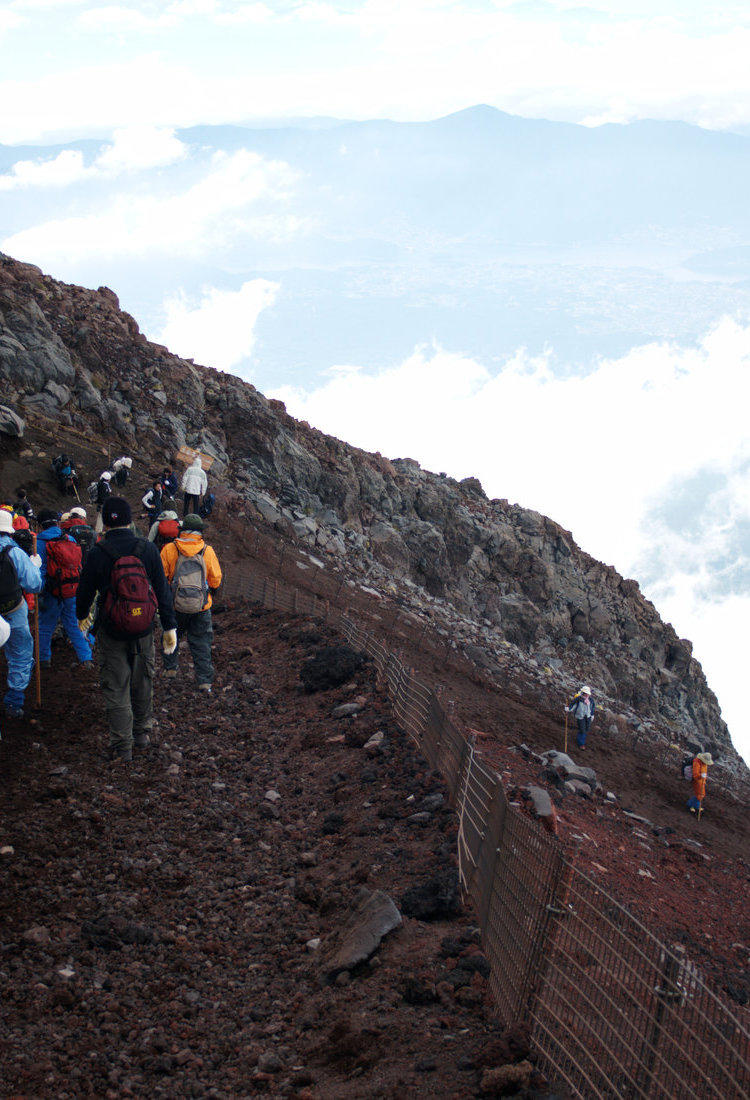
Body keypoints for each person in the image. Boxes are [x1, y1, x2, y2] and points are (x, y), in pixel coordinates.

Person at [76, 497, 177, 762]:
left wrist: (81, 616)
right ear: (130, 521)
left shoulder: (98, 552)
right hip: (143, 628)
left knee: (116, 684)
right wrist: (169, 627)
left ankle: (123, 746)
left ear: (106, 523)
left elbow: (85, 591)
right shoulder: (147, 549)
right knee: (142, 680)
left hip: (111, 629)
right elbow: (162, 592)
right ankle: (142, 733)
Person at [160, 513, 222, 692]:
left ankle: (170, 669)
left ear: (182, 531)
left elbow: (161, 578)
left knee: (171, 635)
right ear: (200, 532)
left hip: (174, 606)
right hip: (201, 606)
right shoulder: (207, 550)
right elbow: (216, 580)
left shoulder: (169, 549)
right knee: (201, 642)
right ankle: (204, 681)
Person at [35, 507, 92, 668]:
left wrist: (39, 592)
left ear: (40, 525)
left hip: (51, 591)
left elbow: (40, 570)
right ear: (58, 522)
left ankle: (44, 659)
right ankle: (86, 657)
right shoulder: (69, 539)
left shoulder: (39, 543)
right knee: (73, 624)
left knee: (45, 625)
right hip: (72, 588)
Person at [0, 508, 43, 719]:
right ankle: (14, 701)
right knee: (20, 653)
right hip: (12, 609)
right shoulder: (14, 552)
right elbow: (34, 584)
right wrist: (34, 565)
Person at [566, 684, 595, 749]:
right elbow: (573, 705)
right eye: (586, 693)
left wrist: (592, 715)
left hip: (588, 716)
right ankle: (581, 743)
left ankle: (581, 738)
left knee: (586, 729)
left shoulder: (591, 700)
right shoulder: (578, 699)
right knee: (582, 729)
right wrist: (568, 709)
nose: (587, 695)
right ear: (583, 693)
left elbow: (592, 708)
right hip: (580, 716)